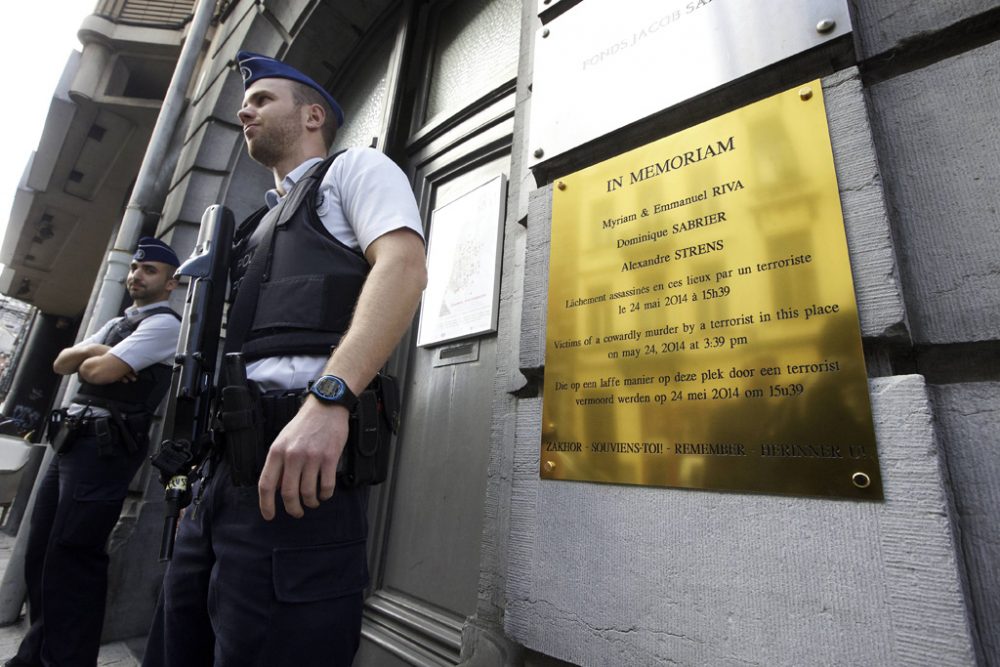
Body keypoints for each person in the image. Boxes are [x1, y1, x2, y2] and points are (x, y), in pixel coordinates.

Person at [143, 51, 426, 666]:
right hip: (221, 473)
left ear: (313, 115)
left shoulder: (355, 171)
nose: (245, 109)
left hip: (301, 464)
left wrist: (331, 399)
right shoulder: (252, 229)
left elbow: (403, 268)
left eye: (264, 99)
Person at [6, 238, 181, 667]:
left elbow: (96, 370)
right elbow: (64, 362)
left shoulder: (166, 325)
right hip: (73, 441)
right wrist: (106, 353)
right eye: (136, 267)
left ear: (171, 283)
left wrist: (102, 359)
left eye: (150, 270)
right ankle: (35, 655)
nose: (137, 274)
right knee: (42, 550)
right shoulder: (123, 322)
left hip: (103, 449)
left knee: (74, 555)